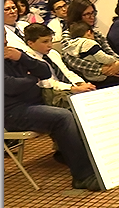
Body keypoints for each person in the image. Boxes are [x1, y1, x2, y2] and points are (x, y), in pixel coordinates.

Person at [4, 33, 101, 191]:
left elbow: (44, 71)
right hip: (13, 112)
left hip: (36, 103)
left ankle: (85, 160)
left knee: (77, 109)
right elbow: (10, 86)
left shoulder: (14, 54)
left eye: (4, 35)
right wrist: (33, 79)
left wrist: (22, 58)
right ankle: (83, 176)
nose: (5, 40)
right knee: (63, 117)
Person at [23, 24, 95, 108]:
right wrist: (73, 88)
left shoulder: (53, 53)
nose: (50, 45)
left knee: (93, 96)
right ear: (30, 43)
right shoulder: (28, 59)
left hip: (68, 88)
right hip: (52, 94)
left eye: (51, 40)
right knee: (83, 105)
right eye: (45, 42)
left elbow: (66, 72)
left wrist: (81, 83)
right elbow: (47, 83)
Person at [61, 0, 119, 85]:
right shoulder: (67, 35)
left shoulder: (96, 34)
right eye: (87, 14)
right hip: (86, 78)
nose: (92, 17)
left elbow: (108, 50)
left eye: (93, 13)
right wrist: (101, 69)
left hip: (108, 70)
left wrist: (118, 62)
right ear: (77, 16)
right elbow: (73, 61)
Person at [65, 22, 119, 88]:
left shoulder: (73, 45)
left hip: (90, 76)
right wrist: (114, 61)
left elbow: (109, 50)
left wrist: (118, 63)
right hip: (101, 76)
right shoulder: (89, 43)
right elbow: (102, 57)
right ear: (89, 32)